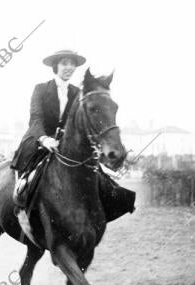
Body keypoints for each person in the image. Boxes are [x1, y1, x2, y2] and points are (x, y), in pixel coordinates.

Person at [11, 49, 135, 221]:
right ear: (56, 66)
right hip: (39, 140)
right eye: (64, 63)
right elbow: (35, 119)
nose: (69, 67)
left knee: (97, 174)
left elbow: (84, 122)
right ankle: (23, 209)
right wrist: (45, 139)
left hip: (66, 143)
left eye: (72, 64)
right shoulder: (40, 89)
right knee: (27, 179)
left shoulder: (78, 93)